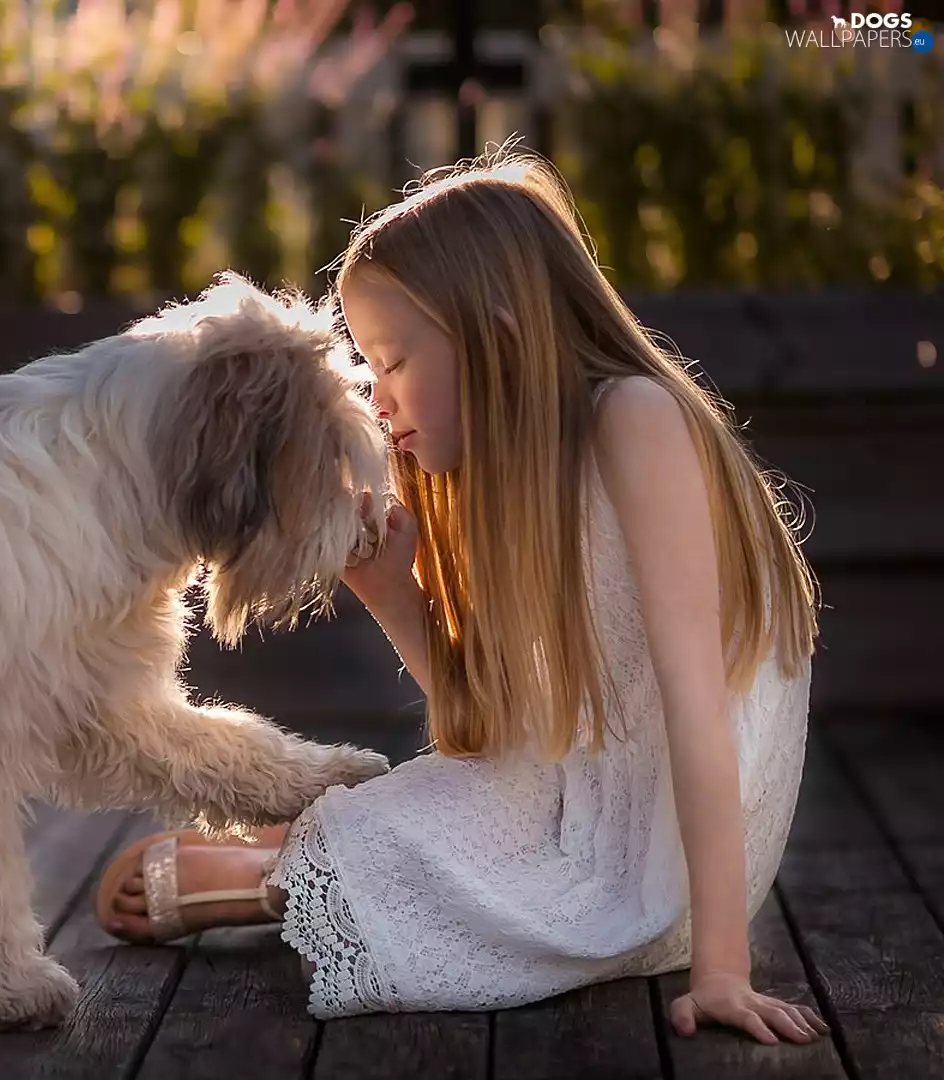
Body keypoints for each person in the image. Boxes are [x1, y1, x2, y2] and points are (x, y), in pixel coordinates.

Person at [93, 149, 829, 1046]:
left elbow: (697, 705)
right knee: (465, 812)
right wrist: (391, 594)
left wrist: (721, 965)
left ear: (502, 339)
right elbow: (491, 734)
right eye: (368, 365)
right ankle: (310, 861)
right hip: (577, 798)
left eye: (394, 360)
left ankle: (282, 878)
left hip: (676, 851)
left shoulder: (637, 420)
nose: (379, 397)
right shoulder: (502, 478)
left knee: (532, 888)